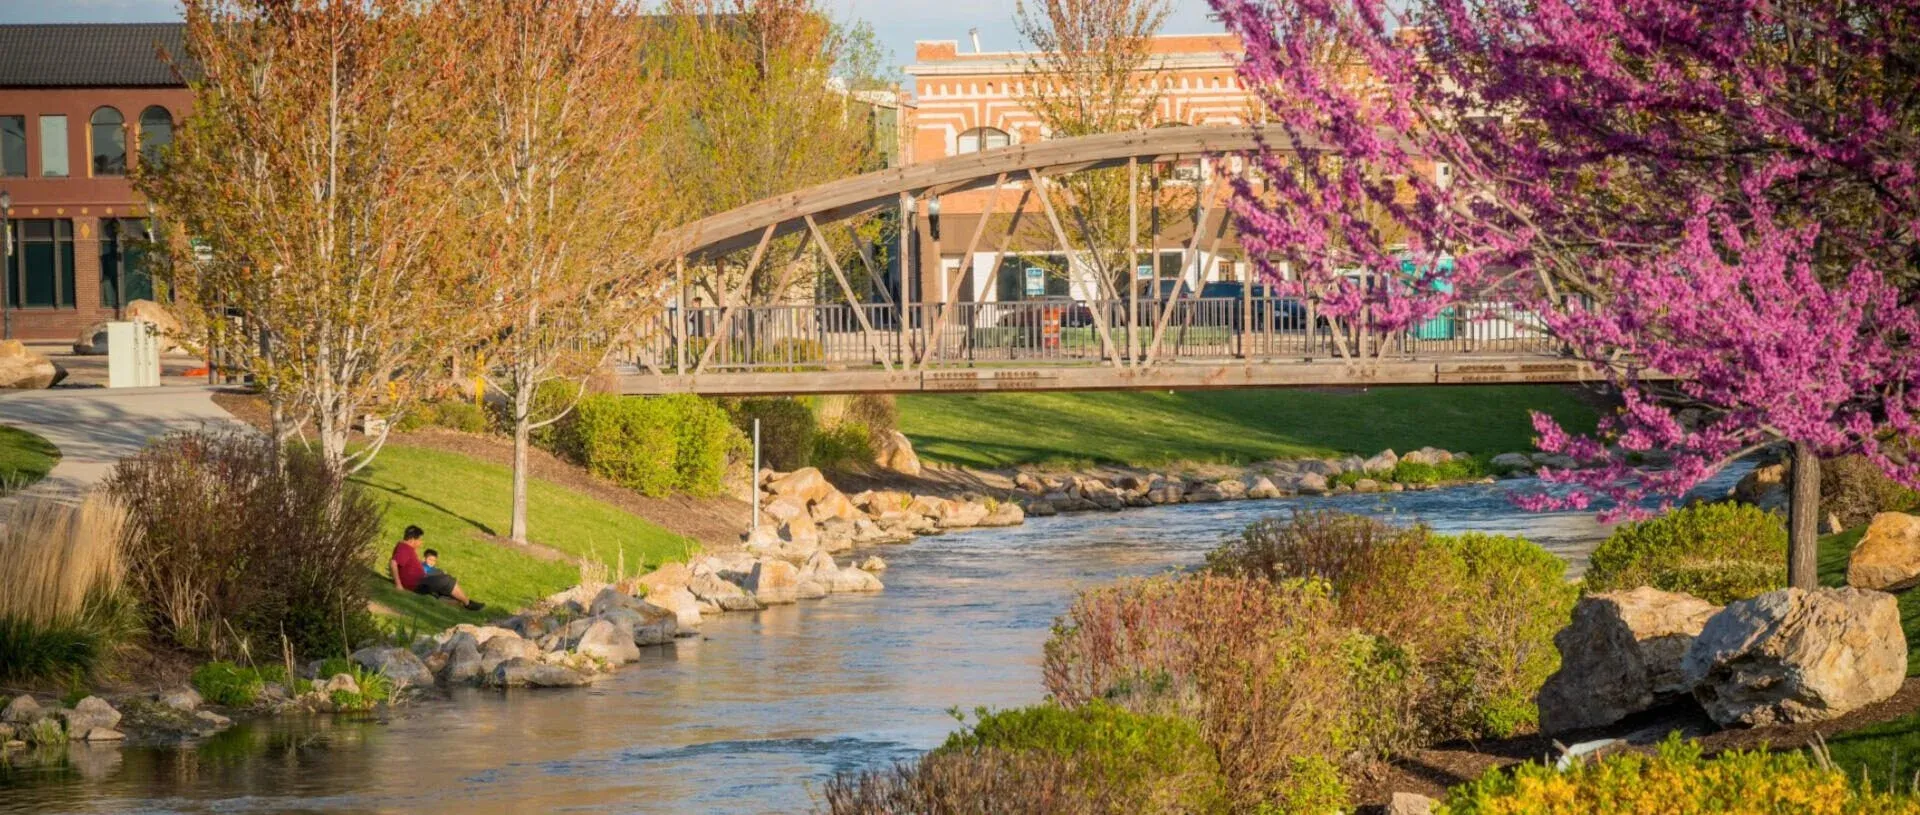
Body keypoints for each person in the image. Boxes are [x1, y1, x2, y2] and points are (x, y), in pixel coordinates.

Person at [390, 526, 483, 611]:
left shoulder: (405, 547)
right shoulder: (405, 548)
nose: (421, 542)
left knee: (444, 578)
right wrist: (398, 585)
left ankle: (457, 601)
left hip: (421, 580)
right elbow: (393, 562)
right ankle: (467, 603)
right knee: (446, 580)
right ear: (412, 539)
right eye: (419, 540)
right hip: (417, 583)